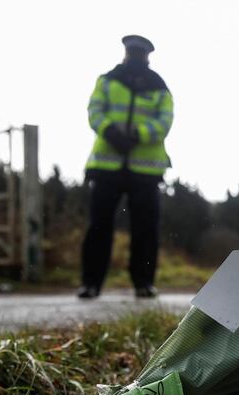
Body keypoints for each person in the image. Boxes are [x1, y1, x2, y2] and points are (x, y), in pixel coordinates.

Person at [77, 35, 174, 299]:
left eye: (139, 53)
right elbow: (94, 111)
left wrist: (138, 135)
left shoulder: (159, 87)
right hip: (107, 165)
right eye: (132, 52)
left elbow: (165, 121)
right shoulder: (107, 81)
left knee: (146, 229)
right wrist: (110, 132)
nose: (135, 57)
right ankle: (91, 283)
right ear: (125, 53)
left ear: (147, 56)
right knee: (99, 226)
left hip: (146, 170)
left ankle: (144, 283)